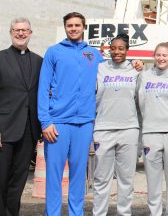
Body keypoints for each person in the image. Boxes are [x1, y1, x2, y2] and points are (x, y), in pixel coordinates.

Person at [38, 12, 103, 216]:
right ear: (65, 28)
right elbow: (42, 88)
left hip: (84, 123)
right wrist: (45, 121)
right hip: (57, 123)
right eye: (69, 25)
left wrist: (134, 65)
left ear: (84, 27)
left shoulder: (94, 54)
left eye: (77, 25)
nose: (73, 28)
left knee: (78, 176)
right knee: (54, 176)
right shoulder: (53, 52)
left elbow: (113, 74)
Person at [0, 17, 42, 216]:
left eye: (25, 30)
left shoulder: (39, 61)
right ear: (11, 33)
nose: (21, 33)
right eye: (17, 30)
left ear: (30, 33)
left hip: (28, 131)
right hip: (2, 131)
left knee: (17, 183)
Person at [92, 33, 140, 216]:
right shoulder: (99, 68)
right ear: (109, 50)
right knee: (101, 179)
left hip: (128, 129)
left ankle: (124, 213)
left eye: (121, 48)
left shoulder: (135, 70)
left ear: (127, 51)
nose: (117, 52)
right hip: (103, 129)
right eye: (113, 48)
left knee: (126, 179)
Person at [137, 42, 168, 216]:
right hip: (151, 133)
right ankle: (155, 213)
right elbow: (138, 103)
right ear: (154, 56)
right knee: (153, 180)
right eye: (158, 55)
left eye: (165, 55)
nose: (161, 58)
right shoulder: (144, 76)